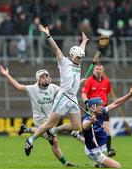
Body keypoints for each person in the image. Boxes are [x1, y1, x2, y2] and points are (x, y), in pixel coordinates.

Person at [24, 24, 88, 156]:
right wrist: (48, 35)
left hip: (73, 97)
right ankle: (31, 140)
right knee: (49, 124)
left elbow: (80, 51)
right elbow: (56, 49)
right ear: (71, 55)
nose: (80, 59)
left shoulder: (78, 61)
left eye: (81, 57)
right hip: (63, 96)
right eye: (78, 57)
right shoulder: (64, 62)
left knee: (77, 125)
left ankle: (55, 130)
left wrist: (84, 41)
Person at [0, 65, 76, 167]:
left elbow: (65, 91)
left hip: (50, 119)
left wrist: (77, 83)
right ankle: (65, 163)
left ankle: (27, 129)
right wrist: (7, 75)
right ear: (38, 80)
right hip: (39, 120)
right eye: (42, 77)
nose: (45, 78)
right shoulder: (32, 89)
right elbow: (17, 86)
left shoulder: (53, 87)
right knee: (54, 141)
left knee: (45, 133)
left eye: (46, 76)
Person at [82, 86, 132, 168]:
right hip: (93, 151)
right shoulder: (87, 118)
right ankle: (99, 162)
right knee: (118, 166)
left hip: (101, 147)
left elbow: (116, 103)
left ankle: (100, 164)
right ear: (93, 107)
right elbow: (84, 127)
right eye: (99, 105)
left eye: (101, 105)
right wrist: (91, 122)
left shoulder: (101, 112)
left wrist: (130, 95)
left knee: (106, 166)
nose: (102, 107)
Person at [81, 63, 116, 157]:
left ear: (103, 71)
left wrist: (105, 105)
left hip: (102, 109)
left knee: (107, 129)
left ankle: (108, 150)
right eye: (97, 69)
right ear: (93, 71)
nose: (99, 70)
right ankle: (85, 142)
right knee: (91, 130)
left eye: (100, 69)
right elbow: (84, 94)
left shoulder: (107, 81)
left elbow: (107, 94)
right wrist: (86, 102)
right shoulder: (89, 81)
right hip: (92, 109)